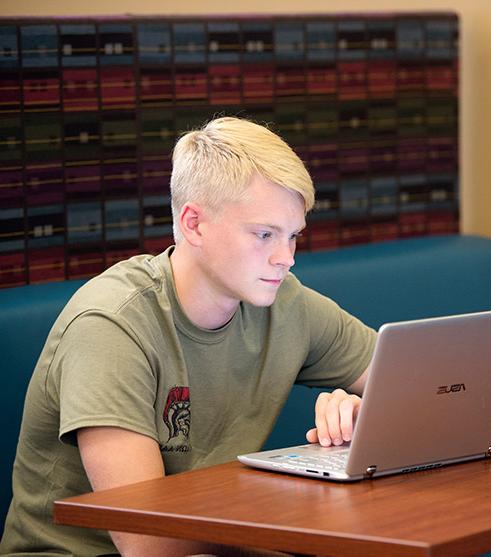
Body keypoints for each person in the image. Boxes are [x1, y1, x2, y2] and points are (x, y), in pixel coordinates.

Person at [0, 117, 377, 556]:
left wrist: (365, 416)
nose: (286, 258)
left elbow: (429, 393)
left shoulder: (284, 302)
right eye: (264, 235)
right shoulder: (112, 325)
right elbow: (148, 542)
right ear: (194, 223)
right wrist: (301, 512)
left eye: (293, 236)